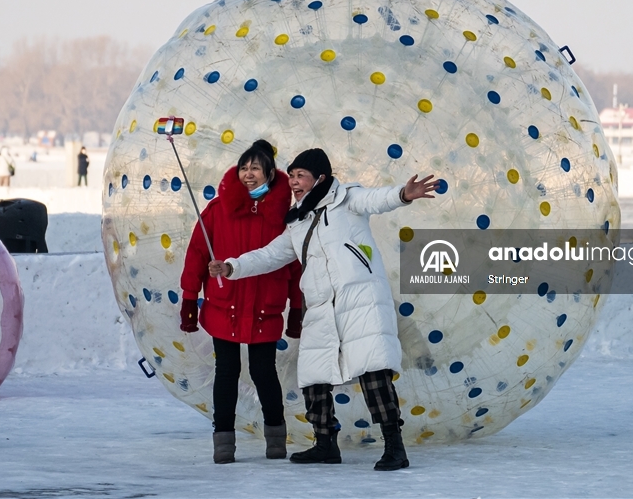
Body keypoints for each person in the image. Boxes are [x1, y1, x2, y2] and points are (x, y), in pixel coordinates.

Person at [210, 148, 438, 471]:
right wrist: (232, 267)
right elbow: (269, 255)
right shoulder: (297, 223)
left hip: (360, 301)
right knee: (314, 376)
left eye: (300, 175)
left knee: (374, 373)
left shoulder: (348, 200)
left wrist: (403, 194)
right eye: (291, 177)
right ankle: (325, 443)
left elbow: (378, 199)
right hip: (320, 307)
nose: (293, 183)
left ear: (320, 177)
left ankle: (394, 447)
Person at [179, 139, 302, 465]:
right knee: (226, 370)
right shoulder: (218, 211)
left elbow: (294, 264)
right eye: (244, 167)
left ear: (269, 175)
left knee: (264, 372)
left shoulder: (283, 217)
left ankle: (276, 437)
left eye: (256, 169)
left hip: (265, 306)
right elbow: (196, 255)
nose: (249, 174)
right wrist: (190, 299)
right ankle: (223, 443)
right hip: (225, 304)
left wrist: (297, 308)